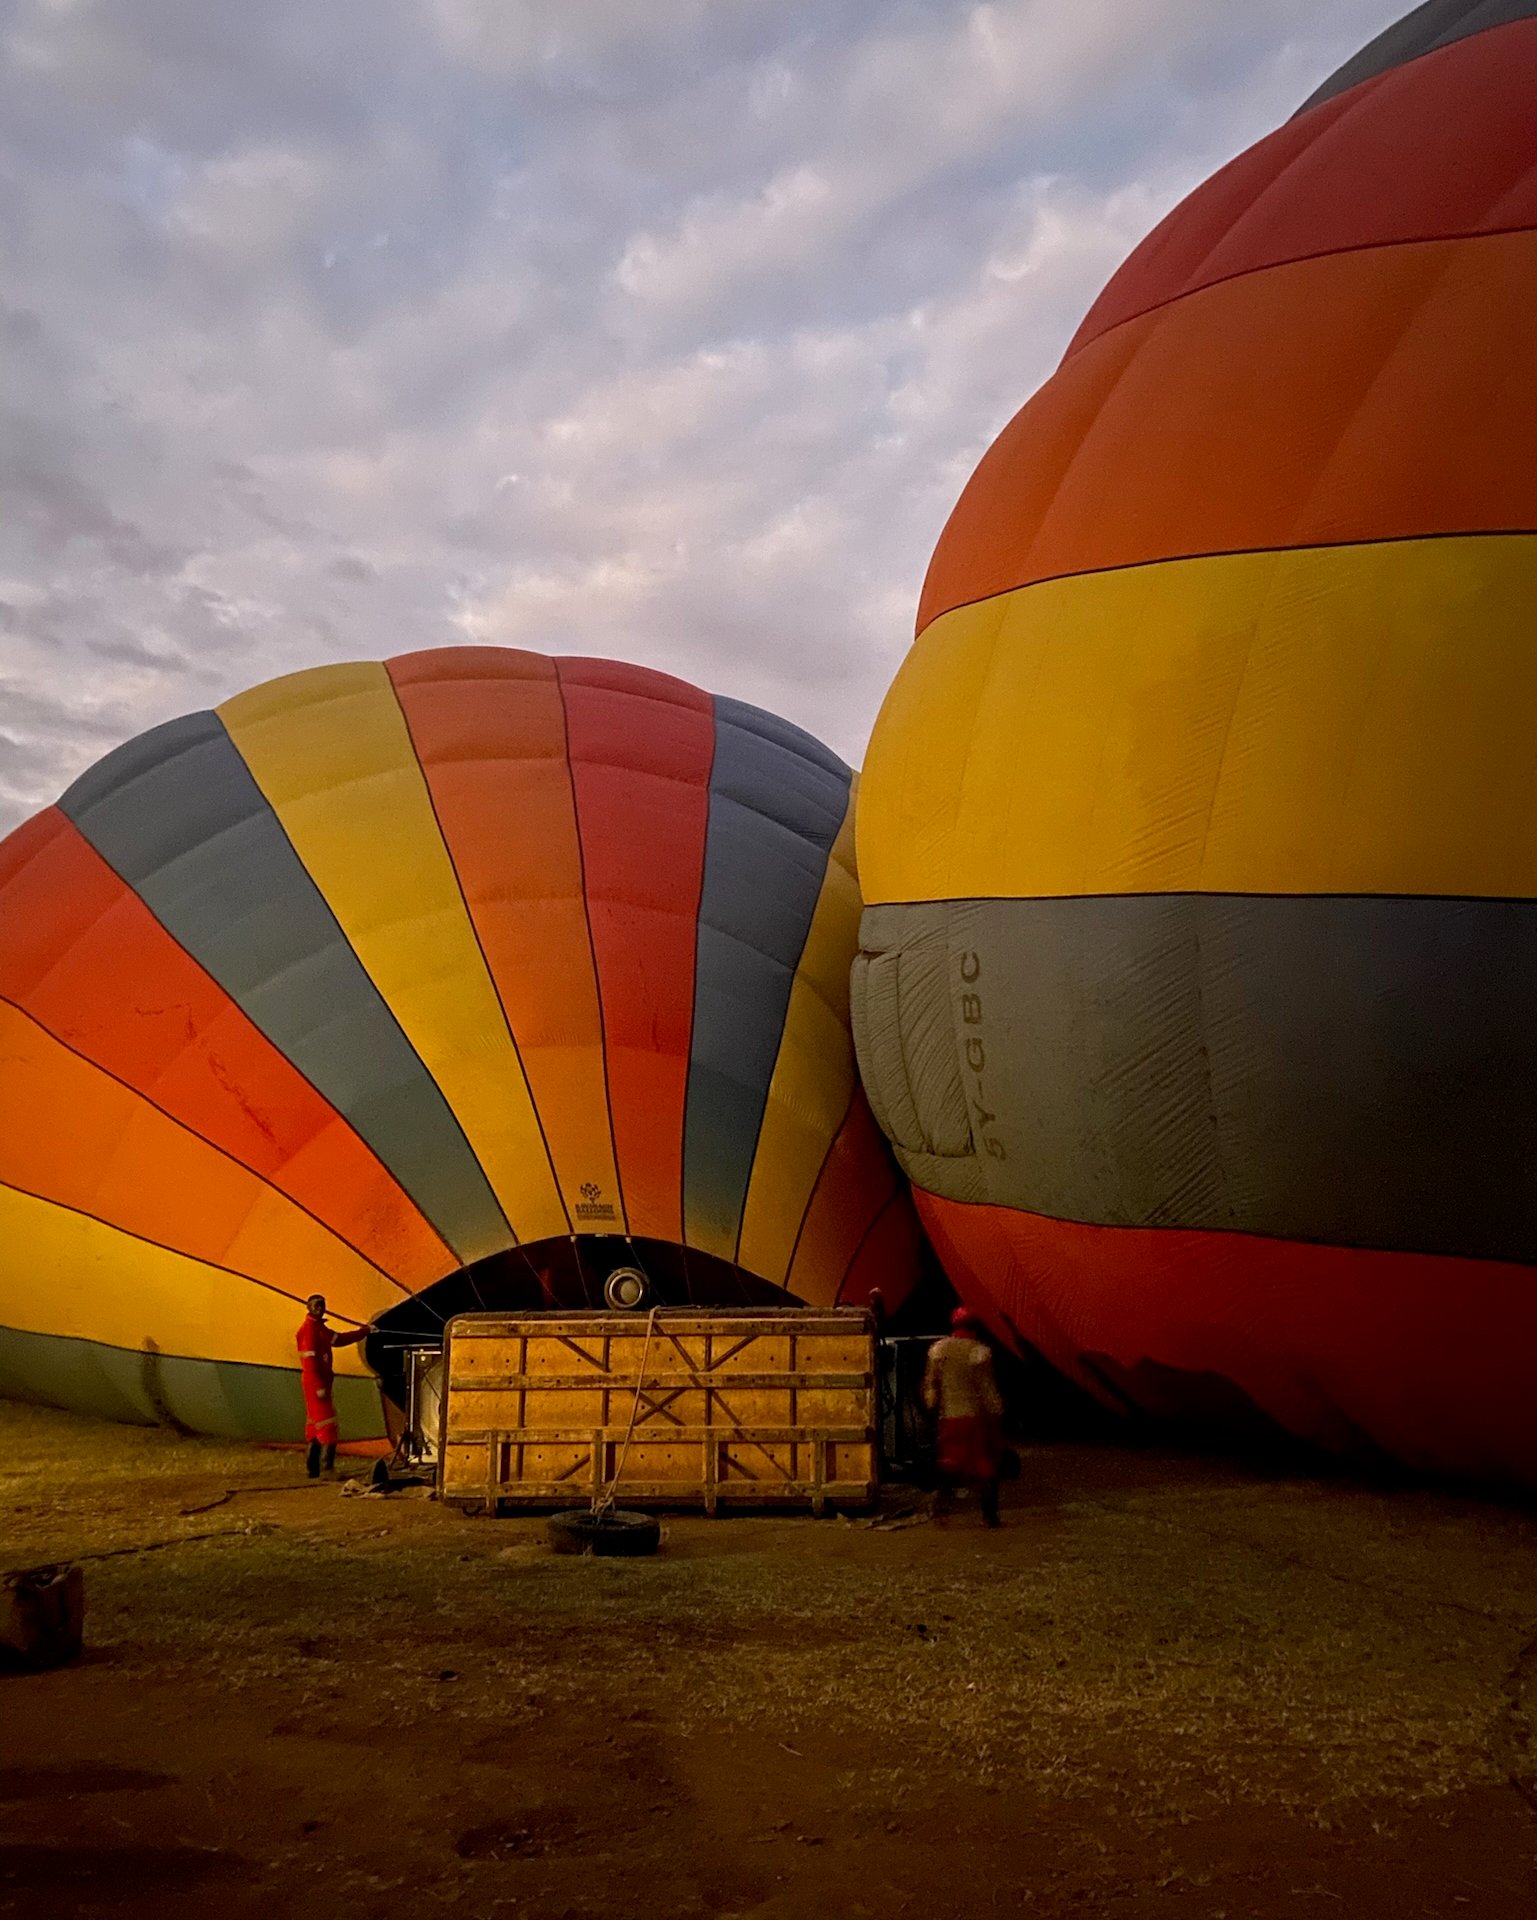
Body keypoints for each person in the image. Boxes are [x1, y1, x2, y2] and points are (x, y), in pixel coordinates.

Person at [921, 1306, 1005, 1526]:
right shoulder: (980, 1352)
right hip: (975, 1417)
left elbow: (931, 1385)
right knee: (984, 1464)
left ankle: (940, 1512)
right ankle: (990, 1516)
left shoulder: (939, 1350)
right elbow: (987, 1389)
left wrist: (931, 1407)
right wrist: (997, 1412)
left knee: (948, 1464)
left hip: (950, 1416)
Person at [297, 1294, 371, 1478]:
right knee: (328, 1424)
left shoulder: (320, 1328)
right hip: (315, 1382)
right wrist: (318, 1386)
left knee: (315, 1425)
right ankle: (326, 1469)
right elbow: (310, 1363)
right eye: (315, 1305)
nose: (319, 1308)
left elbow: (339, 1339)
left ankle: (312, 1468)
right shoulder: (308, 1331)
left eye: (322, 1305)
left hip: (320, 1381)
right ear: (308, 1307)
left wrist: (364, 1331)